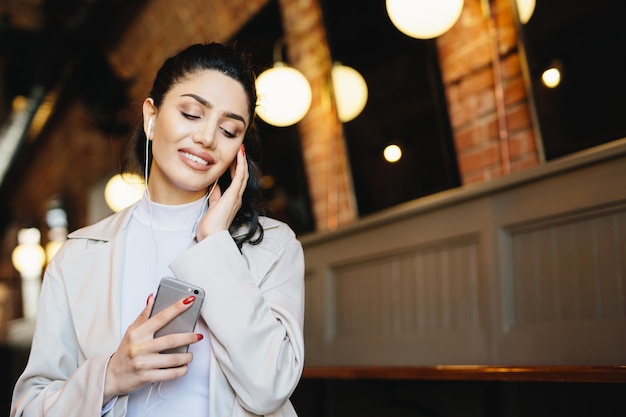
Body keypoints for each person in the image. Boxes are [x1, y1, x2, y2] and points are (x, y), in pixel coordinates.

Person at [11, 42, 305, 417]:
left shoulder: (274, 246)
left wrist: (214, 242)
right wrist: (111, 375)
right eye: (191, 113)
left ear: (239, 150)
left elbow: (270, 389)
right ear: (152, 117)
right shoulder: (78, 255)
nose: (207, 138)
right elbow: (28, 407)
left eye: (230, 130)